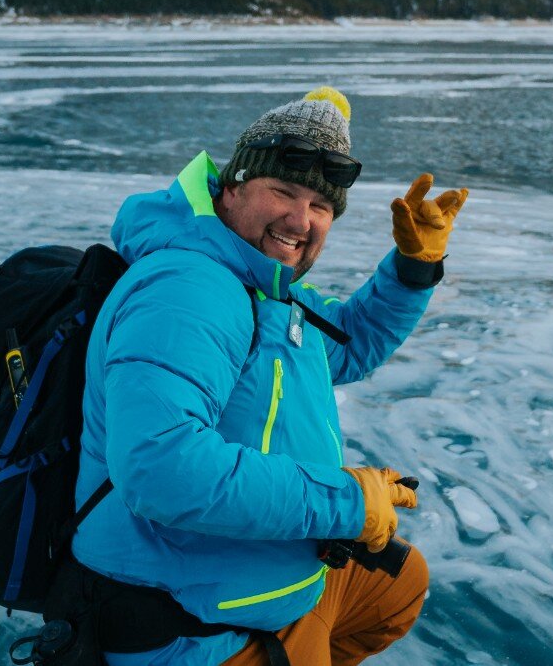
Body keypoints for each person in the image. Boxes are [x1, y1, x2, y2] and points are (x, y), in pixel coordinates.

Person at [70, 86, 467, 666]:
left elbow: (348, 346)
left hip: (270, 584)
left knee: (396, 584)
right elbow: (160, 469)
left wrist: (413, 270)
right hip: (193, 628)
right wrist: (348, 503)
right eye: (283, 191)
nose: (300, 220)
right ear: (232, 188)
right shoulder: (190, 290)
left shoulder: (268, 290)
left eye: (321, 206)